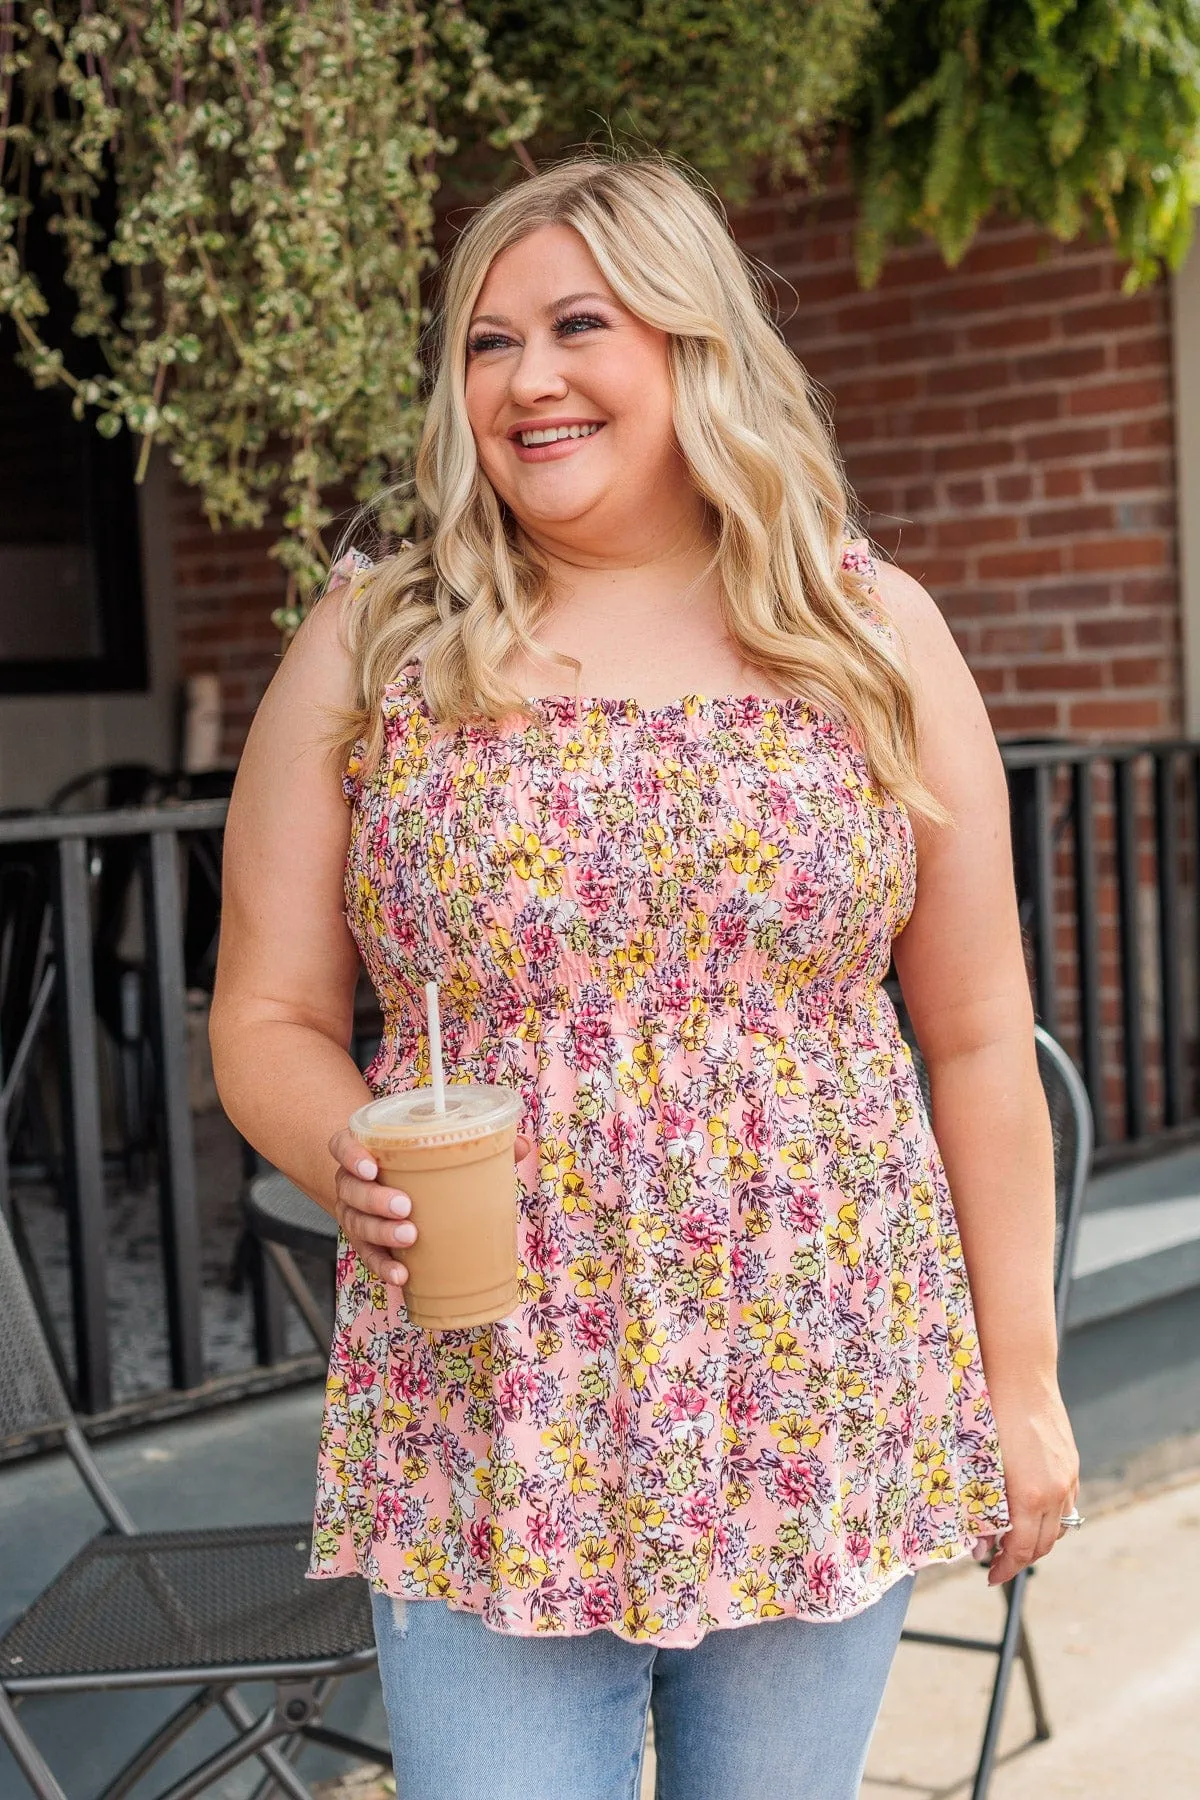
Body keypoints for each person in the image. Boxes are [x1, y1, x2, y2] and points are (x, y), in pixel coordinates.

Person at [209, 156, 1080, 1800]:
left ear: (693, 344)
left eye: (577, 325)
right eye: (486, 341)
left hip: (817, 1375)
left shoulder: (868, 629)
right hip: (495, 1392)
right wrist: (343, 1139)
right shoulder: (378, 642)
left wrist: (1021, 1385)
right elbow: (266, 1015)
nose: (526, 378)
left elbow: (974, 1040)